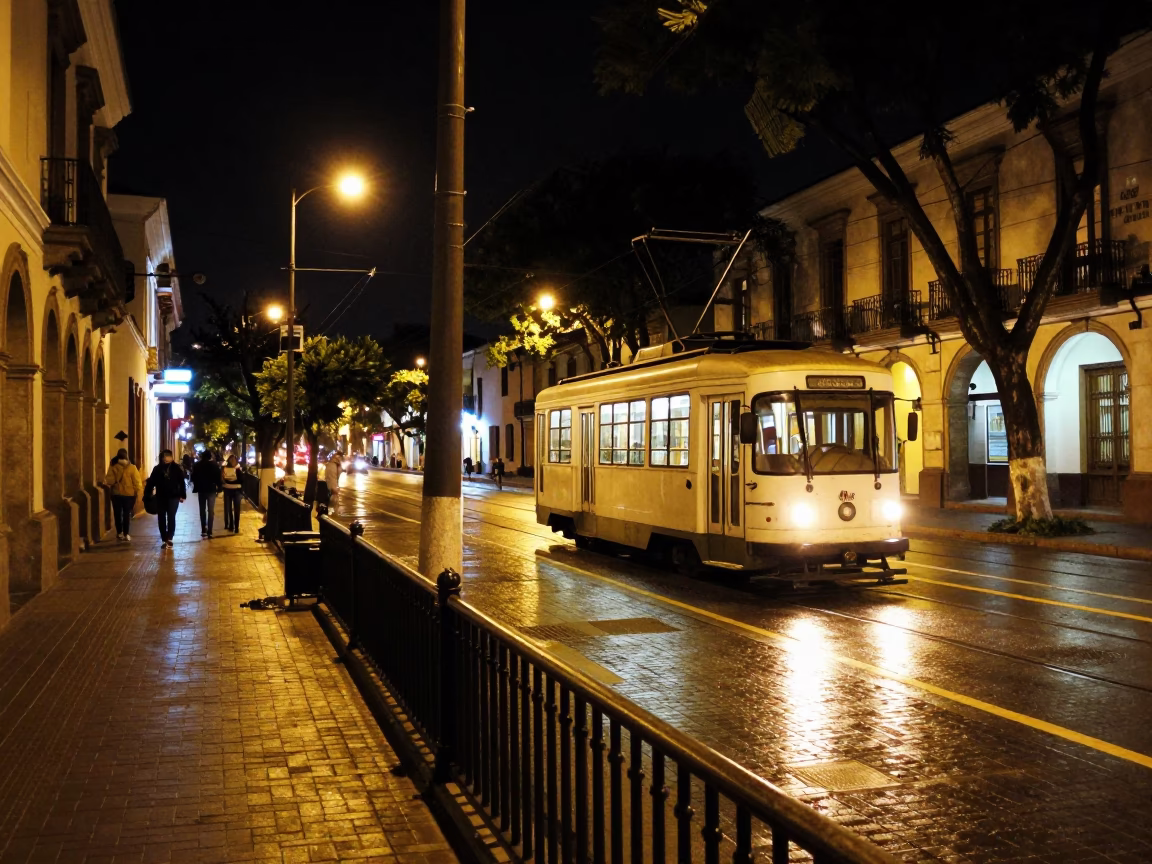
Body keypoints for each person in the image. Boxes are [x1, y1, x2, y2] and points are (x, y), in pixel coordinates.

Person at [145, 450, 186, 548]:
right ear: (162, 457)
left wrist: (182, 495)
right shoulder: (157, 469)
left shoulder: (176, 468)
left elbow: (181, 482)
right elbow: (151, 482)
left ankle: (170, 537)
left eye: (168, 456)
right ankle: (164, 538)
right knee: (161, 517)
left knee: (171, 516)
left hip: (173, 497)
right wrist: (147, 494)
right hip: (161, 496)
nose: (167, 458)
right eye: (165, 456)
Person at [104, 448, 143, 541]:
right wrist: (138, 492)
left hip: (116, 494)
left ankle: (119, 533)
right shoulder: (132, 467)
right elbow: (137, 482)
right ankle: (126, 533)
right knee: (126, 514)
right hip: (129, 495)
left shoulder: (113, 466)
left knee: (117, 514)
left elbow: (109, 480)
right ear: (127, 456)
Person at [190, 450, 223, 538]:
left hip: (201, 489)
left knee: (202, 510)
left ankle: (203, 529)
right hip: (211, 489)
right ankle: (210, 531)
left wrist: (197, 484)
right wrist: (219, 487)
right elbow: (218, 477)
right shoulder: (214, 465)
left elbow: (193, 477)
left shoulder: (197, 465)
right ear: (209, 456)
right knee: (211, 510)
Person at [221, 454, 243, 534]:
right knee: (231, 509)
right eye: (232, 460)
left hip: (233, 490)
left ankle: (234, 526)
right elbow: (241, 480)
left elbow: (240, 479)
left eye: (234, 460)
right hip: (231, 490)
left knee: (234, 509)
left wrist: (229, 481)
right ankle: (232, 526)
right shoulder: (228, 468)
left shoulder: (236, 469)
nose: (233, 461)